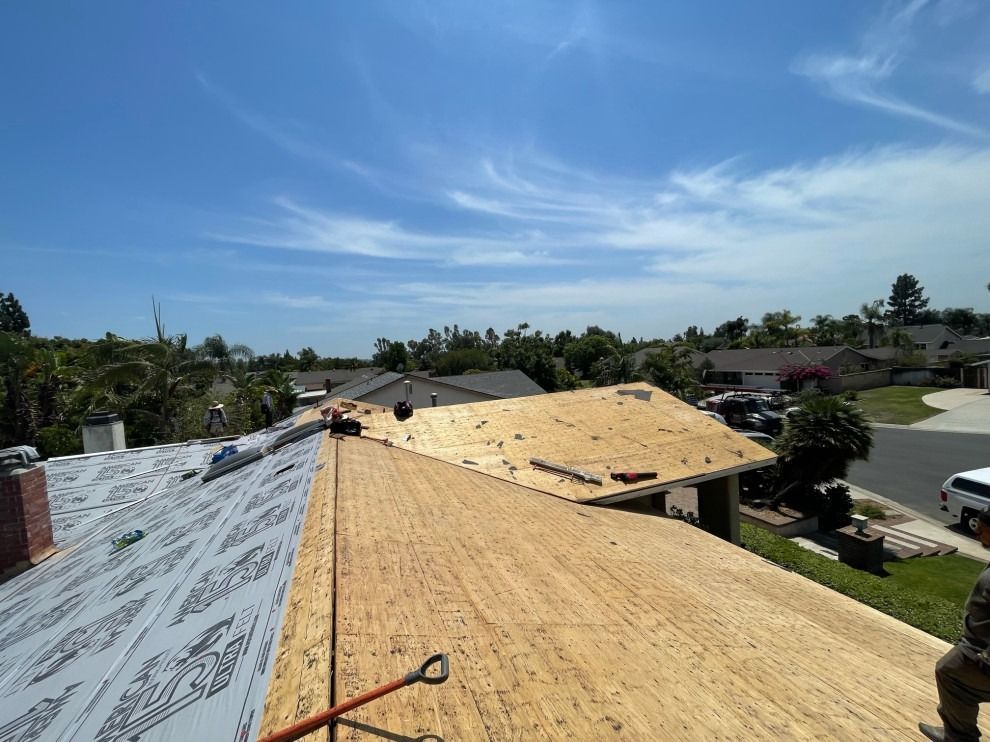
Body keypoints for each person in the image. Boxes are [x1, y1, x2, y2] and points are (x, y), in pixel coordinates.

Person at [920, 508, 990, 741]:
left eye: (983, 528)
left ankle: (959, 737)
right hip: (975, 645)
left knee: (949, 673)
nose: (977, 532)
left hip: (979, 652)